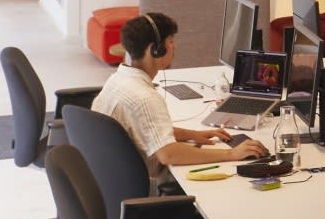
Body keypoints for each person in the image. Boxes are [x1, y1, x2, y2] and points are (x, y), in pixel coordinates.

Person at [96, 10, 267, 183]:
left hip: (109, 178)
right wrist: (231, 153)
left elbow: (147, 127)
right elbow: (168, 154)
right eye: (170, 42)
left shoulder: (117, 79)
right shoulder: (145, 98)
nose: (174, 47)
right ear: (155, 50)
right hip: (145, 184)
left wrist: (192, 134)